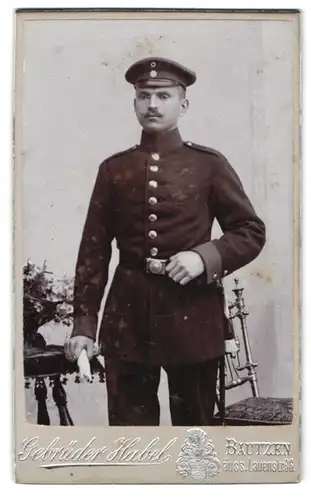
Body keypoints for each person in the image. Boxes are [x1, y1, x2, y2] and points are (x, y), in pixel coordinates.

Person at [64, 57, 266, 426]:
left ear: (183, 104)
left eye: (163, 95)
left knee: (195, 438)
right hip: (128, 320)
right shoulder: (114, 170)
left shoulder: (209, 165)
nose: (152, 104)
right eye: (144, 96)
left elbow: (250, 230)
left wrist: (204, 257)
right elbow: (92, 252)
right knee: (132, 438)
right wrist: (83, 325)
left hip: (193, 318)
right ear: (134, 104)